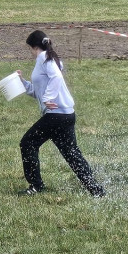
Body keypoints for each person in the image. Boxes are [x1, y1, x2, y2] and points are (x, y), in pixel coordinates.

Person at [17, 30, 105, 197]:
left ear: (34, 47)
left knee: (28, 143)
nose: (30, 52)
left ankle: (36, 186)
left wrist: (48, 97)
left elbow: (56, 78)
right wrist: (22, 82)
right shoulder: (50, 58)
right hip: (66, 115)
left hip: (55, 116)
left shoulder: (43, 57)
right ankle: (95, 189)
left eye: (30, 49)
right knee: (71, 153)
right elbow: (38, 92)